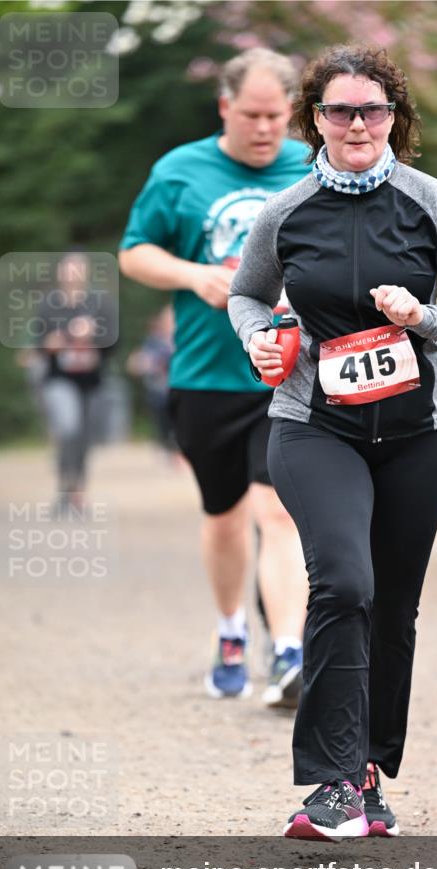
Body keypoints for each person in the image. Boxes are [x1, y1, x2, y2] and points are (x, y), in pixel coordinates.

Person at [229, 45, 437, 839]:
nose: (356, 124)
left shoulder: (429, 204)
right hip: (314, 426)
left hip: (418, 437)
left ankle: (369, 772)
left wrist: (424, 320)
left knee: (391, 607)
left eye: (372, 110)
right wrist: (258, 339)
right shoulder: (285, 213)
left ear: (395, 117)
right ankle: (327, 783)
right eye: (339, 110)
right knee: (343, 584)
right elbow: (247, 297)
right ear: (313, 119)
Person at [119, 49, 309, 705]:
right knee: (225, 518)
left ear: (293, 113)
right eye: (251, 114)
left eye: (276, 117)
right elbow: (133, 253)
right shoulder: (180, 171)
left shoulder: (313, 167)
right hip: (205, 373)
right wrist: (192, 275)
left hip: (288, 376)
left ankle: (289, 654)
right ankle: (232, 630)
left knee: (279, 509)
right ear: (224, 106)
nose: (263, 129)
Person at [36, 251, 116, 515]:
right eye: (68, 270)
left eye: (77, 270)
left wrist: (95, 338)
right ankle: (64, 487)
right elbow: (39, 343)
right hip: (59, 379)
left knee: (83, 437)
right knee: (68, 428)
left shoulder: (99, 304)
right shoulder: (48, 305)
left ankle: (77, 492)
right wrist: (55, 342)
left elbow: (116, 341)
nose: (72, 276)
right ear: (60, 274)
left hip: (91, 381)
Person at [126, 305, 177, 457]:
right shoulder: (153, 341)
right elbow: (135, 363)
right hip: (159, 392)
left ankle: (175, 448)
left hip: (180, 390)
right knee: (162, 419)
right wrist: (142, 363)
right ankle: (166, 445)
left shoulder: (186, 339)